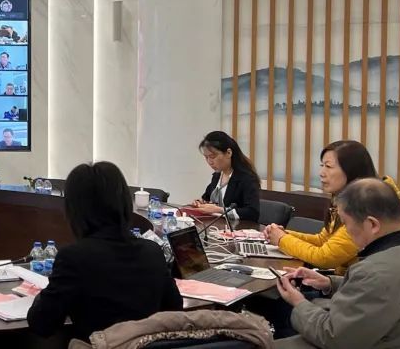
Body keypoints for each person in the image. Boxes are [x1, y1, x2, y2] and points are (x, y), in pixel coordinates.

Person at [27, 161, 182, 345]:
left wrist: (44, 294)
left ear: (74, 209)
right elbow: (174, 308)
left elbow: (42, 324)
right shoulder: (152, 251)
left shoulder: (74, 258)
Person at [274, 178, 400, 348]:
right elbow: (384, 294)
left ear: (372, 224)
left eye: (346, 224)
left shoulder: (374, 271)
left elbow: (332, 337)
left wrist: (298, 303)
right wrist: (330, 283)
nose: (346, 231)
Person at [264, 140, 400, 272]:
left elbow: (325, 257)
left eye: (329, 167)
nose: (321, 173)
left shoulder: (367, 206)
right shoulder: (343, 198)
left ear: (352, 171)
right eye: (322, 166)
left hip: (356, 282)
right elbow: (323, 240)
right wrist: (284, 234)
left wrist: (282, 239)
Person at [191, 131, 261, 222]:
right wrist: (199, 203)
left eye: (212, 157)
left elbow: (252, 213)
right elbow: (206, 198)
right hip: (216, 225)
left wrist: (219, 210)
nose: (209, 162)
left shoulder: (247, 178)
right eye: (206, 157)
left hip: (238, 228)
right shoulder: (217, 176)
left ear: (228, 153)